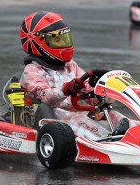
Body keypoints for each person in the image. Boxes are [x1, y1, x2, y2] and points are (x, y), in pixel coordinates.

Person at [18, 11, 133, 140]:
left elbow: (87, 87)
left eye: (64, 38)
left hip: (75, 114)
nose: (63, 44)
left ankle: (137, 137)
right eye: (57, 40)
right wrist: (66, 89)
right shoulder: (32, 71)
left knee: (113, 114)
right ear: (37, 42)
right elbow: (46, 98)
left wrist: (102, 94)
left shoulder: (71, 66)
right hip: (49, 119)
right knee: (78, 119)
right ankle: (108, 141)